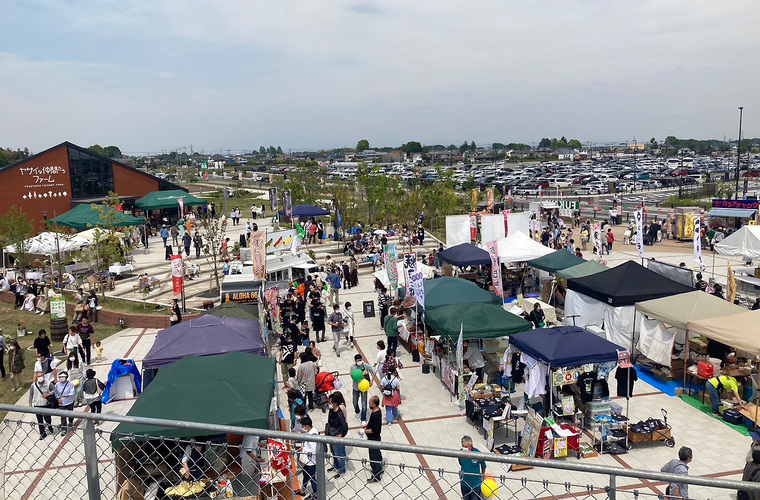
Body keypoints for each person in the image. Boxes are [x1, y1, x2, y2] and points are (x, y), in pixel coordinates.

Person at [296, 416, 319, 498]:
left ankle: (316, 494)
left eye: (303, 426)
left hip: (311, 462)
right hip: (307, 460)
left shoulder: (313, 436)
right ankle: (303, 490)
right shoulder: (311, 431)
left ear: (307, 426)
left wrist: (303, 449)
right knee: (305, 475)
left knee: (312, 478)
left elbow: (313, 451)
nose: (302, 428)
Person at [326, 393, 348, 478]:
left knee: (339, 454)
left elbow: (344, 426)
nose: (329, 404)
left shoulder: (339, 414)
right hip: (331, 434)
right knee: (333, 452)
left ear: (335, 403)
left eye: (330, 402)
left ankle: (342, 470)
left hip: (336, 436)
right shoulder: (332, 410)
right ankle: (336, 465)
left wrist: (341, 435)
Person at [458, 435, 486, 500]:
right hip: (464, 483)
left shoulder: (477, 453)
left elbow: (483, 465)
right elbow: (461, 463)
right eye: (463, 446)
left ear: (471, 445)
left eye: (466, 447)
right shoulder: (460, 453)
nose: (464, 448)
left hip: (475, 484)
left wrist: (482, 475)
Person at [29, 375, 56, 440]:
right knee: (39, 420)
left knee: (47, 418)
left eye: (41, 376)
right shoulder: (33, 385)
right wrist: (30, 404)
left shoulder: (48, 383)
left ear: (43, 376)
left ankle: (49, 426)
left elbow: (55, 389)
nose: (40, 377)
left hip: (45, 404)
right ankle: (42, 433)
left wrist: (49, 394)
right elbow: (31, 394)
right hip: (37, 405)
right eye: (38, 376)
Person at [351, 354, 376, 421]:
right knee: (355, 402)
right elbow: (354, 376)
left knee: (364, 404)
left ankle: (363, 418)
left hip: (364, 388)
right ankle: (357, 411)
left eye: (360, 360)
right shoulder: (353, 368)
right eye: (358, 360)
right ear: (355, 361)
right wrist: (362, 374)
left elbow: (374, 370)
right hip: (356, 388)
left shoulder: (365, 365)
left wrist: (372, 380)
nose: (360, 362)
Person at [365, 395, 384, 483]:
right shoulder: (375, 411)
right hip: (374, 438)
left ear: (374, 404)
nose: (369, 404)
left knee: (374, 457)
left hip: (374, 438)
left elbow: (375, 429)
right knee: (377, 454)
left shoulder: (376, 414)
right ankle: (379, 469)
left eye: (370, 402)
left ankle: (376, 475)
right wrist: (367, 425)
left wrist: (365, 431)